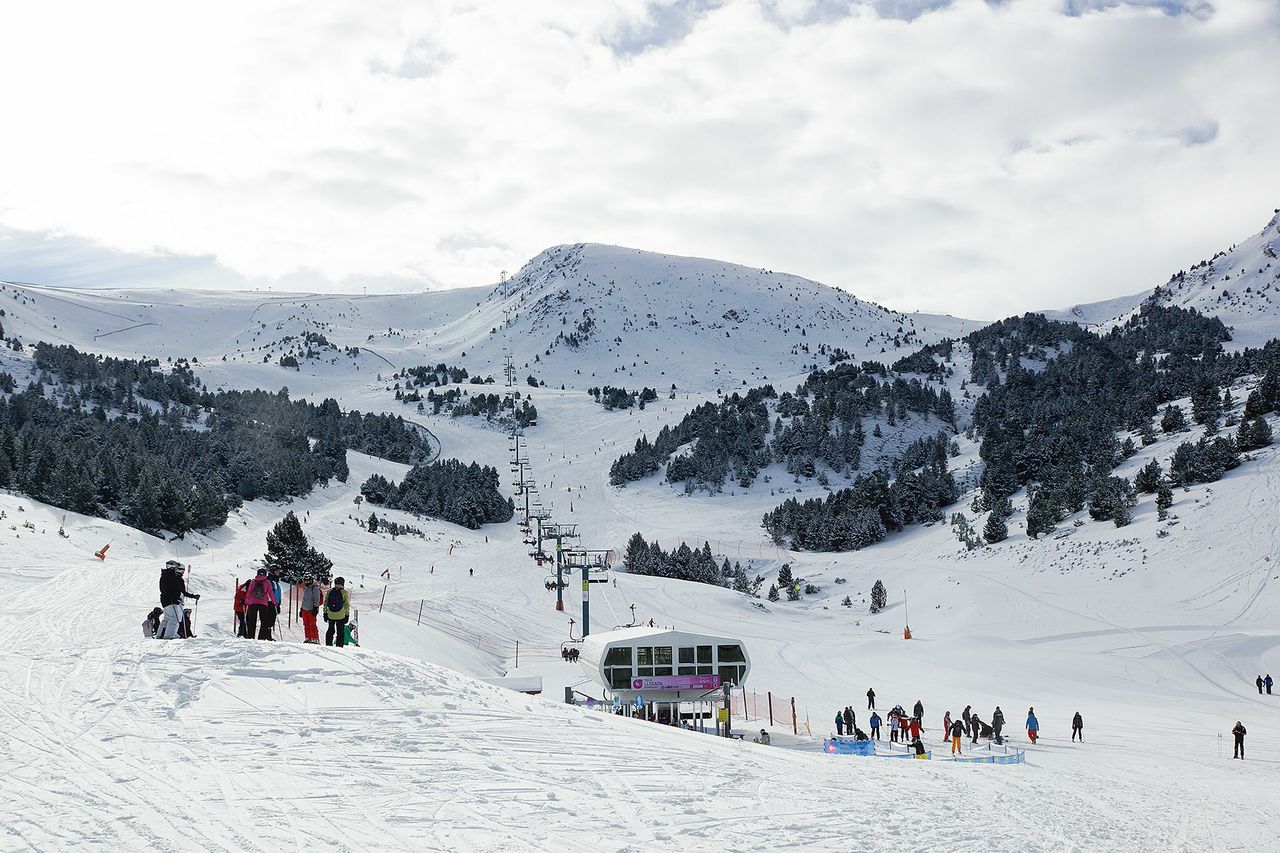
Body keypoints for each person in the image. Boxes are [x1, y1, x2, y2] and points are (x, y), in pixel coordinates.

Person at [158, 561, 199, 640]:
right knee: (174, 618)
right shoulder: (174, 577)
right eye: (176, 567)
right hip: (172, 600)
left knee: (167, 618)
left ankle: (160, 635)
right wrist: (193, 596)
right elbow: (182, 591)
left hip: (165, 600)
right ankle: (169, 635)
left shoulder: (165, 575)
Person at [244, 568, 276, 640]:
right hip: (263, 604)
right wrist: (274, 602)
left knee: (252, 621)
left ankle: (250, 637)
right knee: (264, 622)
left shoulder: (253, 582)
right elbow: (270, 593)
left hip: (252, 604)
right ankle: (262, 638)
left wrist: (247, 601)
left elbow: (249, 592)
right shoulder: (267, 582)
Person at [324, 576, 351, 647]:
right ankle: (339, 646)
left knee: (330, 630)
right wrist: (347, 615)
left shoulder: (330, 591)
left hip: (330, 615)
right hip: (341, 615)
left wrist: (325, 613)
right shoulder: (344, 592)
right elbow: (346, 605)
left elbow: (325, 603)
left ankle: (328, 645)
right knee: (340, 632)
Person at [299, 575, 322, 644]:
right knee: (306, 624)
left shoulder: (314, 588)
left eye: (308, 580)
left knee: (312, 624)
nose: (306, 582)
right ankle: (308, 638)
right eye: (305, 580)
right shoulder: (306, 588)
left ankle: (315, 638)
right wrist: (301, 608)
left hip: (311, 609)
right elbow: (304, 599)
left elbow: (317, 598)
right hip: (304, 609)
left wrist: (315, 607)